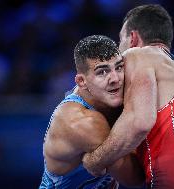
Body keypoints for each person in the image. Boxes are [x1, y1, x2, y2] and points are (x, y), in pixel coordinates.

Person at [82, 4, 174, 189]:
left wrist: (95, 160)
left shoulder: (139, 54)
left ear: (133, 38)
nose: (119, 52)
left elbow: (139, 122)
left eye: (120, 40)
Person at [39, 35, 144, 189]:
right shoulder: (83, 122)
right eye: (102, 72)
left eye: (119, 67)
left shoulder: (102, 94)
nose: (115, 78)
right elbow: (134, 178)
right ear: (82, 81)